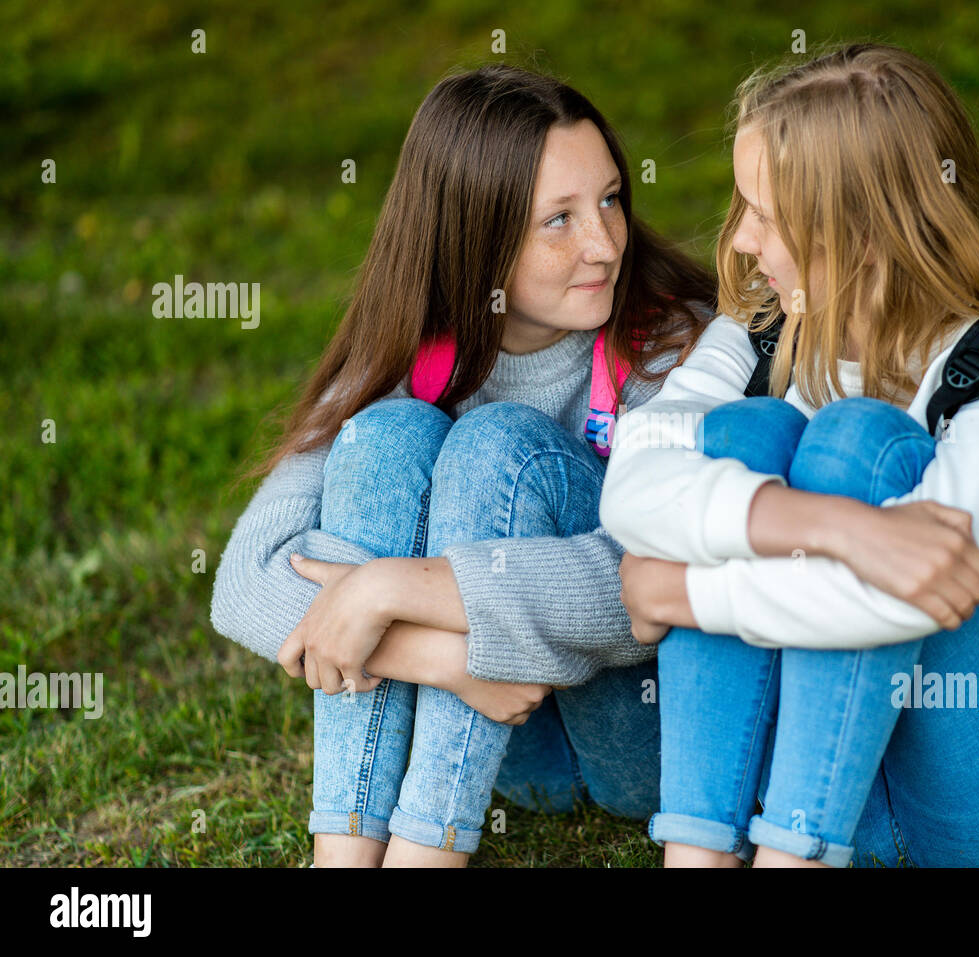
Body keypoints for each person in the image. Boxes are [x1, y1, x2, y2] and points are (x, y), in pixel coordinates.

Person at [601, 42, 979, 868]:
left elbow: (912, 595)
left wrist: (676, 588)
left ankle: (793, 858)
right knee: (739, 440)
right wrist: (825, 526)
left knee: (857, 443)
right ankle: (699, 853)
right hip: (847, 766)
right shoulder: (769, 320)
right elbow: (638, 476)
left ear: (859, 232)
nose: (742, 240)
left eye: (766, 213)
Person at [209, 64, 714, 867]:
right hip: (516, 748)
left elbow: (654, 587)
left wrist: (384, 591)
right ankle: (341, 854)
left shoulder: (676, 348)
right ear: (474, 235)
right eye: (559, 219)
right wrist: (444, 657)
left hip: (640, 740)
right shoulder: (407, 355)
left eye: (611, 198)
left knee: (495, 447)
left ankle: (424, 855)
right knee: (386, 434)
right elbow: (243, 580)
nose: (604, 243)